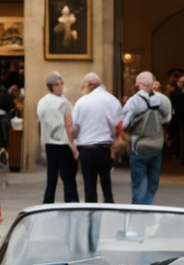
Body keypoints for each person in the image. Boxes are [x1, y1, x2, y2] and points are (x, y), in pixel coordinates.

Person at [120, 71, 174, 206]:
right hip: (156, 147)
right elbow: (167, 119)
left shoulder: (133, 102)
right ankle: (147, 204)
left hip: (139, 148)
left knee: (138, 182)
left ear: (138, 84)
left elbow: (124, 124)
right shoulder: (163, 100)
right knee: (153, 181)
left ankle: (139, 208)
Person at [71, 73, 123, 204]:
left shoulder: (81, 102)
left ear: (87, 86)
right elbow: (120, 124)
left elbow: (74, 127)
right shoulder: (112, 100)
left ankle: (91, 208)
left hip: (86, 149)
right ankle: (109, 203)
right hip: (105, 148)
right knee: (106, 179)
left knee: (89, 182)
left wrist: (73, 142)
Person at [36, 72, 79, 204]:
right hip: (63, 143)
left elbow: (40, 119)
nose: (61, 87)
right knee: (68, 177)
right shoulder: (63, 103)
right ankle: (71, 202)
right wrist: (74, 146)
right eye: (59, 85)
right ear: (52, 86)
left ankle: (48, 202)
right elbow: (69, 123)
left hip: (50, 143)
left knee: (52, 176)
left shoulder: (42, 102)